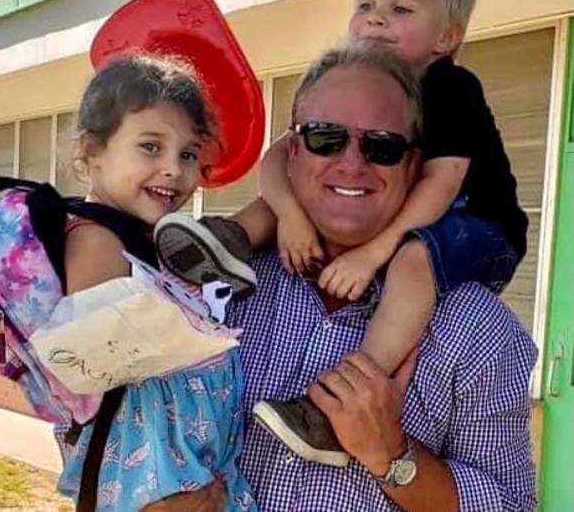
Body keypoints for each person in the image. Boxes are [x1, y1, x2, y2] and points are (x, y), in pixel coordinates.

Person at [155, 0, 529, 466]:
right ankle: (227, 242)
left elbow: (441, 186)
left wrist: (371, 254)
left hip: (480, 223)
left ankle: (343, 398)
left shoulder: (449, 87)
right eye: (366, 4)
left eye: (400, 10)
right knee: (307, 186)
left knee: (415, 260)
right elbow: (279, 160)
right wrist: (289, 215)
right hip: (421, 214)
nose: (376, 19)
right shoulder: (353, 84)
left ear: (447, 37)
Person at [229, 46, 538, 510]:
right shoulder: (217, 290)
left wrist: (393, 455)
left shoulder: (477, 332)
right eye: (325, 137)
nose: (353, 163)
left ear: (414, 168)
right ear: (291, 152)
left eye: (383, 146)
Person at [53, 53, 255, 511]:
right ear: (92, 150)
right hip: (151, 486)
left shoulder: (147, 238)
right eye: (150, 147)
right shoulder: (96, 239)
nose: (173, 169)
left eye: (188, 154)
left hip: (182, 474)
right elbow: (101, 375)